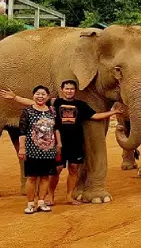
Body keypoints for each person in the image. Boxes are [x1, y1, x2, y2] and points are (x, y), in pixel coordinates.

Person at [1, 81, 120, 206]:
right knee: (56, 170)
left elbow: (95, 116)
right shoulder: (54, 103)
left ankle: (69, 196)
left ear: (75, 91)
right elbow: (34, 103)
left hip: (76, 143)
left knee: (74, 169)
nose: (69, 91)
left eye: (72, 89)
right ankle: (50, 196)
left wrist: (113, 112)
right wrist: (15, 98)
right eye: (67, 89)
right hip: (58, 144)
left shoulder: (80, 105)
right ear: (62, 90)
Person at [17, 86, 57, 214]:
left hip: (49, 150)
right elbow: (22, 131)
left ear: (48, 97)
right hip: (32, 150)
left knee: (45, 177)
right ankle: (30, 204)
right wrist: (22, 148)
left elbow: (55, 129)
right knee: (32, 177)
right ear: (33, 96)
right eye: (38, 94)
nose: (40, 96)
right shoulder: (28, 111)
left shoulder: (52, 111)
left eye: (43, 94)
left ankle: (41, 202)